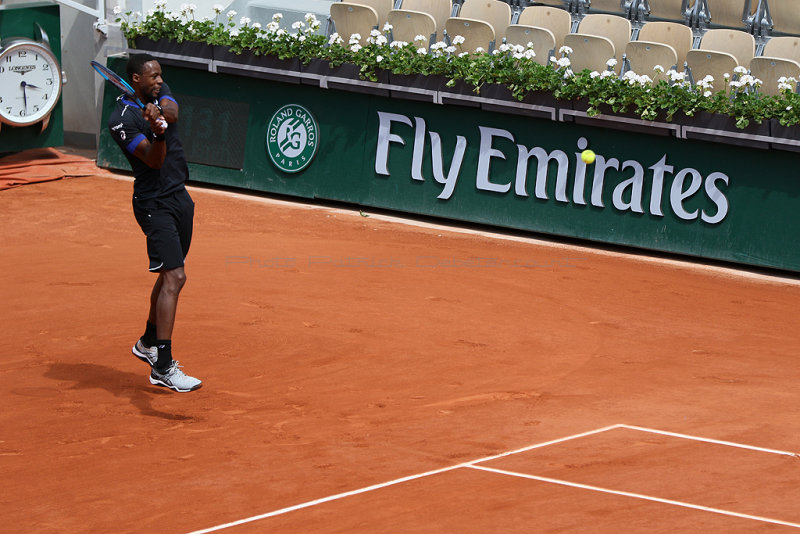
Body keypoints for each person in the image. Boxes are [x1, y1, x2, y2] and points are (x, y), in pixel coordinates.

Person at [107, 53, 202, 392]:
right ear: (135, 79)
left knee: (168, 275)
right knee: (176, 275)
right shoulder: (121, 119)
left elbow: (173, 111)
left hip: (180, 198)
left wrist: (160, 116)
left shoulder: (160, 94)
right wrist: (158, 135)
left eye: (160, 75)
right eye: (153, 77)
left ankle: (147, 341)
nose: (160, 81)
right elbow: (153, 160)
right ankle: (163, 365)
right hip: (153, 204)